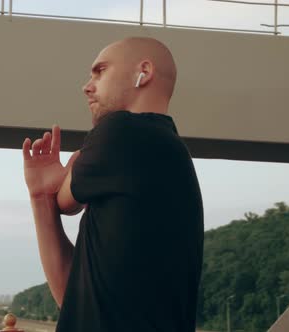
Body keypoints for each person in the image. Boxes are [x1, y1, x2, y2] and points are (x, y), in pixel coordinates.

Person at [22, 37, 204, 331]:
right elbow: (75, 301)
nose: (87, 86)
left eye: (100, 71)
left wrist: (57, 187)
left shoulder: (122, 131)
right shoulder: (166, 153)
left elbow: (66, 202)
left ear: (143, 72)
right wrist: (40, 195)